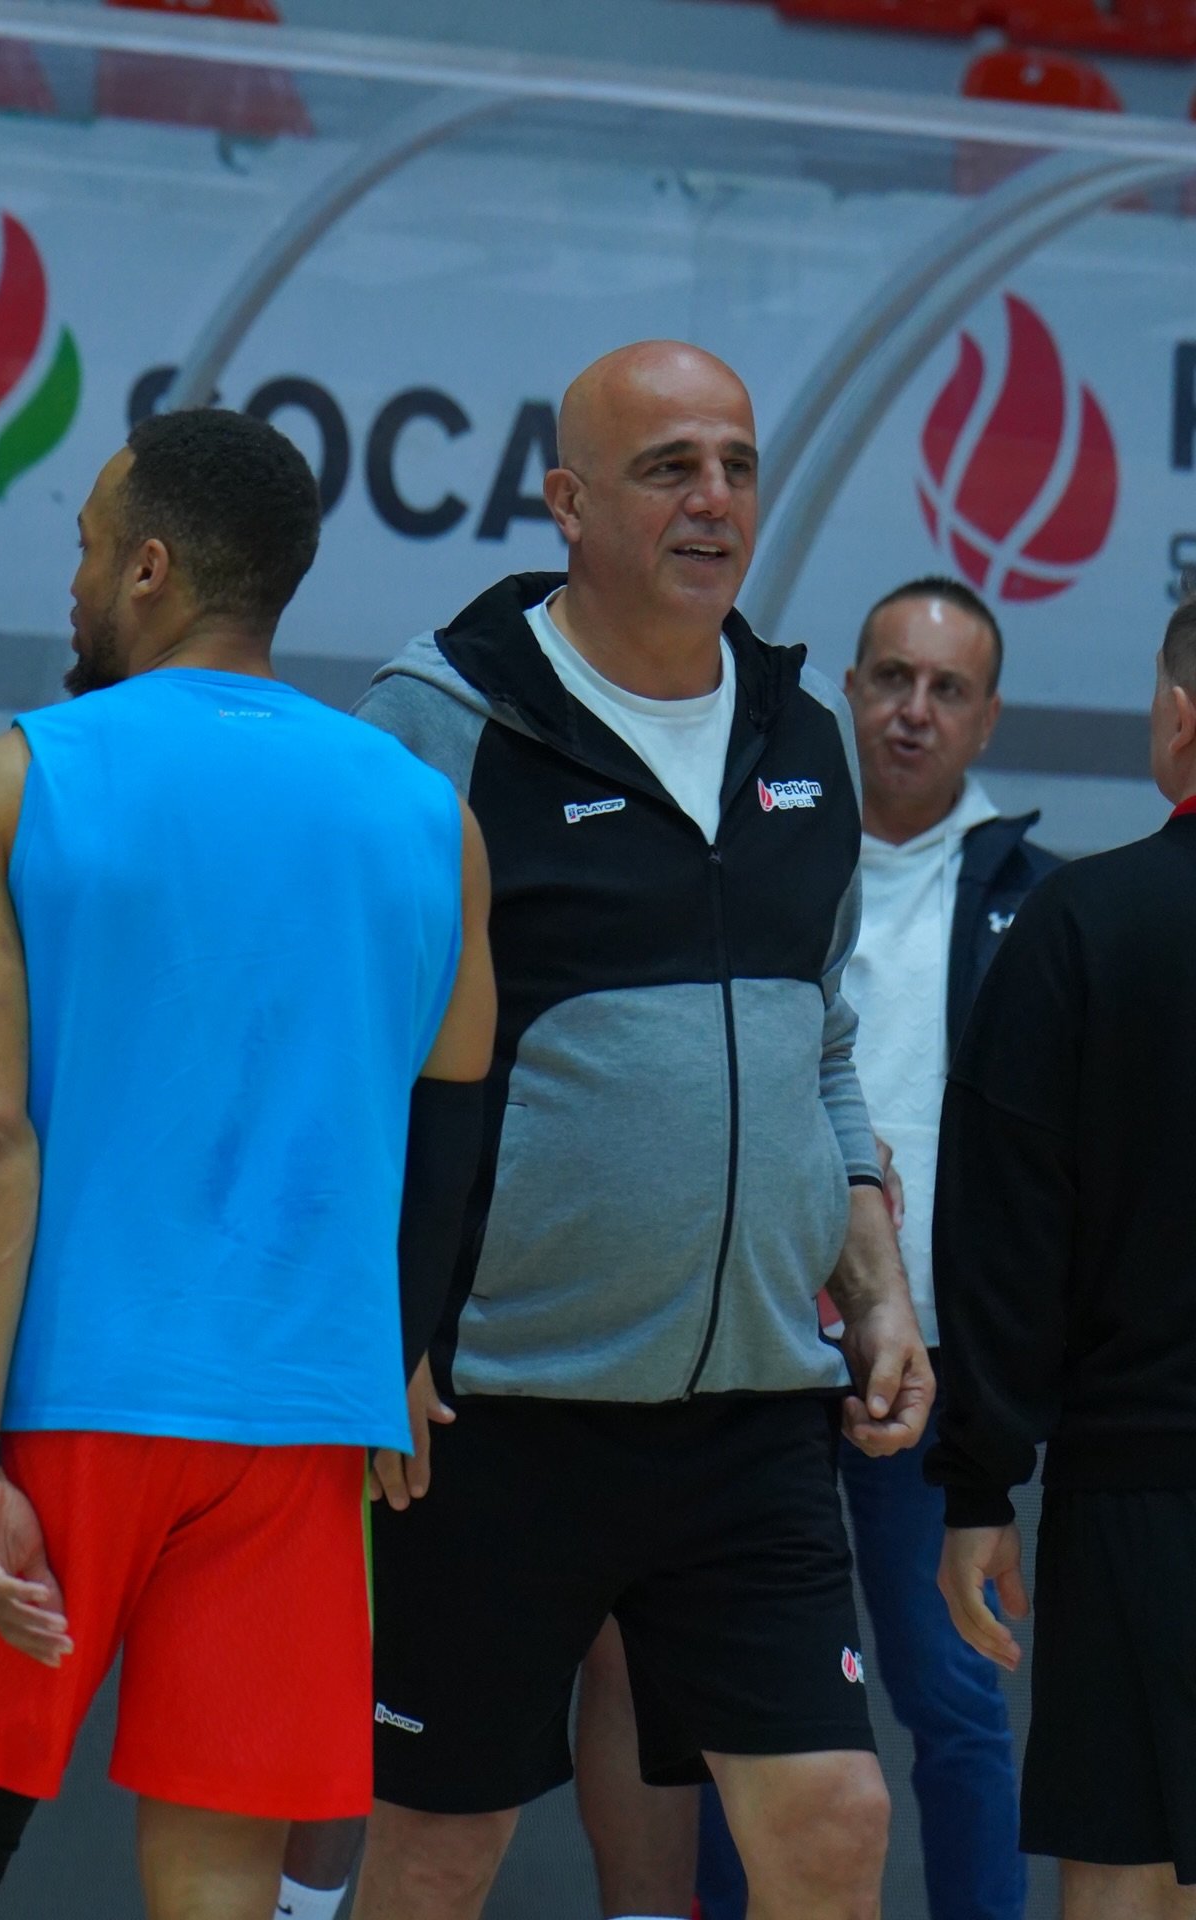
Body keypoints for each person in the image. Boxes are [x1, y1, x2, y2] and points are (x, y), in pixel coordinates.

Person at [0, 406, 496, 1920]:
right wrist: (398, 1351)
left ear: (148, 568)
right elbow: (460, 1111)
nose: (73, 581)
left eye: (86, 547)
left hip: (61, 1400)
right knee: (219, 1875)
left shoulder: (6, 783)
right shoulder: (429, 818)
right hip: (299, 1426)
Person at [351, 339, 934, 1920]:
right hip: (498, 1414)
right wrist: (381, 1335)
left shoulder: (802, 737)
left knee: (834, 1822)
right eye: (670, 467)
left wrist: (879, 1286)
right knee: (435, 1851)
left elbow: (819, 1043)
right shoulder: (442, 725)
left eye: (737, 464)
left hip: (752, 1416)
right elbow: (354, 1058)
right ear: (568, 504)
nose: (714, 499)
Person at [693, 577, 1051, 1919]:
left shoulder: (1034, 905)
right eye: (891, 678)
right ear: (846, 690)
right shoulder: (762, 857)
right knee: (745, 1707)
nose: (913, 711)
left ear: (988, 718)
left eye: (947, 690)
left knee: (953, 1698)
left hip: (933, 1361)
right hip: (762, 1345)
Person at [929, 594, 1196, 1920]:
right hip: (1138, 1472)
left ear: (1179, 719)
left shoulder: (1084, 923)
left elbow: (1005, 1233)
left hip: (1141, 1490)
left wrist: (981, 1479)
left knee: (1124, 1868)